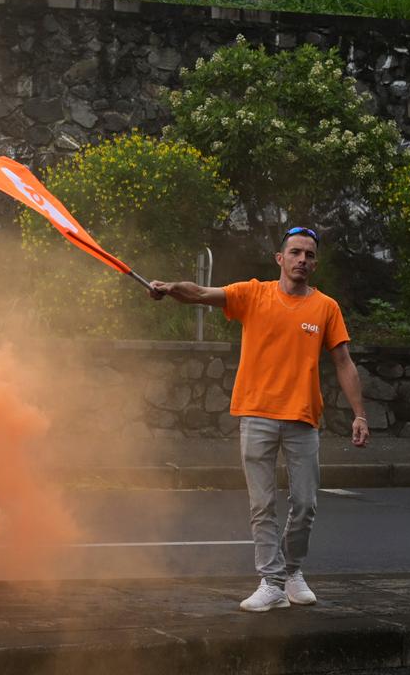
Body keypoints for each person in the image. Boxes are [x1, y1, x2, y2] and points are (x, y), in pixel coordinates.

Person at [150, 226, 369, 613]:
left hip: (303, 418)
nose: (303, 259)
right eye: (296, 252)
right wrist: (169, 288)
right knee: (262, 504)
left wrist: (360, 415)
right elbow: (202, 293)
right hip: (256, 415)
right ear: (280, 259)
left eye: (310, 255)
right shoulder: (253, 294)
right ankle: (271, 581)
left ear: (315, 263)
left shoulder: (325, 308)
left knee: (304, 503)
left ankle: (293, 571)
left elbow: (343, 362)